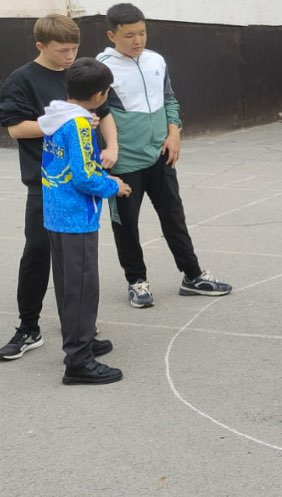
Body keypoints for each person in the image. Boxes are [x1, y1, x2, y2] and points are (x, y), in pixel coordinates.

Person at [96, 3, 232, 308]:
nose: (138, 40)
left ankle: (193, 276)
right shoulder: (101, 69)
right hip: (123, 164)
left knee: (174, 217)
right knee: (126, 225)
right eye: (129, 35)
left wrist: (174, 133)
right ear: (111, 35)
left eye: (142, 33)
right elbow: (97, 112)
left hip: (160, 156)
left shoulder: (156, 60)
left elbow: (169, 99)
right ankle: (137, 281)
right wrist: (109, 151)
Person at [0, 14, 119, 361]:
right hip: (46, 184)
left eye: (74, 48)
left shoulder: (79, 72)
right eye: (62, 50)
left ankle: (79, 329)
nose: (70, 56)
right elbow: (16, 129)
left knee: (76, 265)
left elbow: (105, 112)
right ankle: (28, 327)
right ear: (41, 45)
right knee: (38, 253)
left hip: (81, 184)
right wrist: (65, 120)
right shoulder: (21, 80)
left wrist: (112, 147)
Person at [38, 58, 132, 384]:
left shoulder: (57, 116)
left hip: (56, 213)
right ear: (99, 95)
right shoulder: (78, 125)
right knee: (82, 288)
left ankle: (81, 338)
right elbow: (84, 176)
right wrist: (113, 186)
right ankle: (78, 360)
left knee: (68, 285)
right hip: (75, 218)